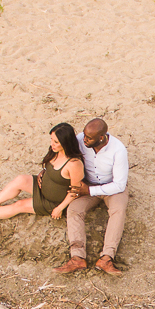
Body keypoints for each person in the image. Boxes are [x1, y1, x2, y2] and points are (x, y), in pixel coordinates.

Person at [54, 118, 128, 275]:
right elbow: (62, 153)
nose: (83, 139)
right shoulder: (81, 139)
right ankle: (77, 258)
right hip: (88, 184)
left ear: (101, 138)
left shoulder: (118, 150)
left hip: (111, 187)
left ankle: (107, 258)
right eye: (84, 135)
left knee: (118, 210)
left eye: (89, 138)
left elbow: (120, 185)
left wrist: (89, 191)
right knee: (73, 210)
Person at [0, 123, 84, 221]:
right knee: (20, 179)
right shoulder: (55, 151)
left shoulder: (74, 164)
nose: (51, 144)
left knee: (19, 205)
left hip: (53, 202)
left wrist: (59, 208)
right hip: (42, 187)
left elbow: (75, 191)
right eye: (51, 139)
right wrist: (43, 173)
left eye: (56, 142)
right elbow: (49, 167)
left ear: (66, 143)